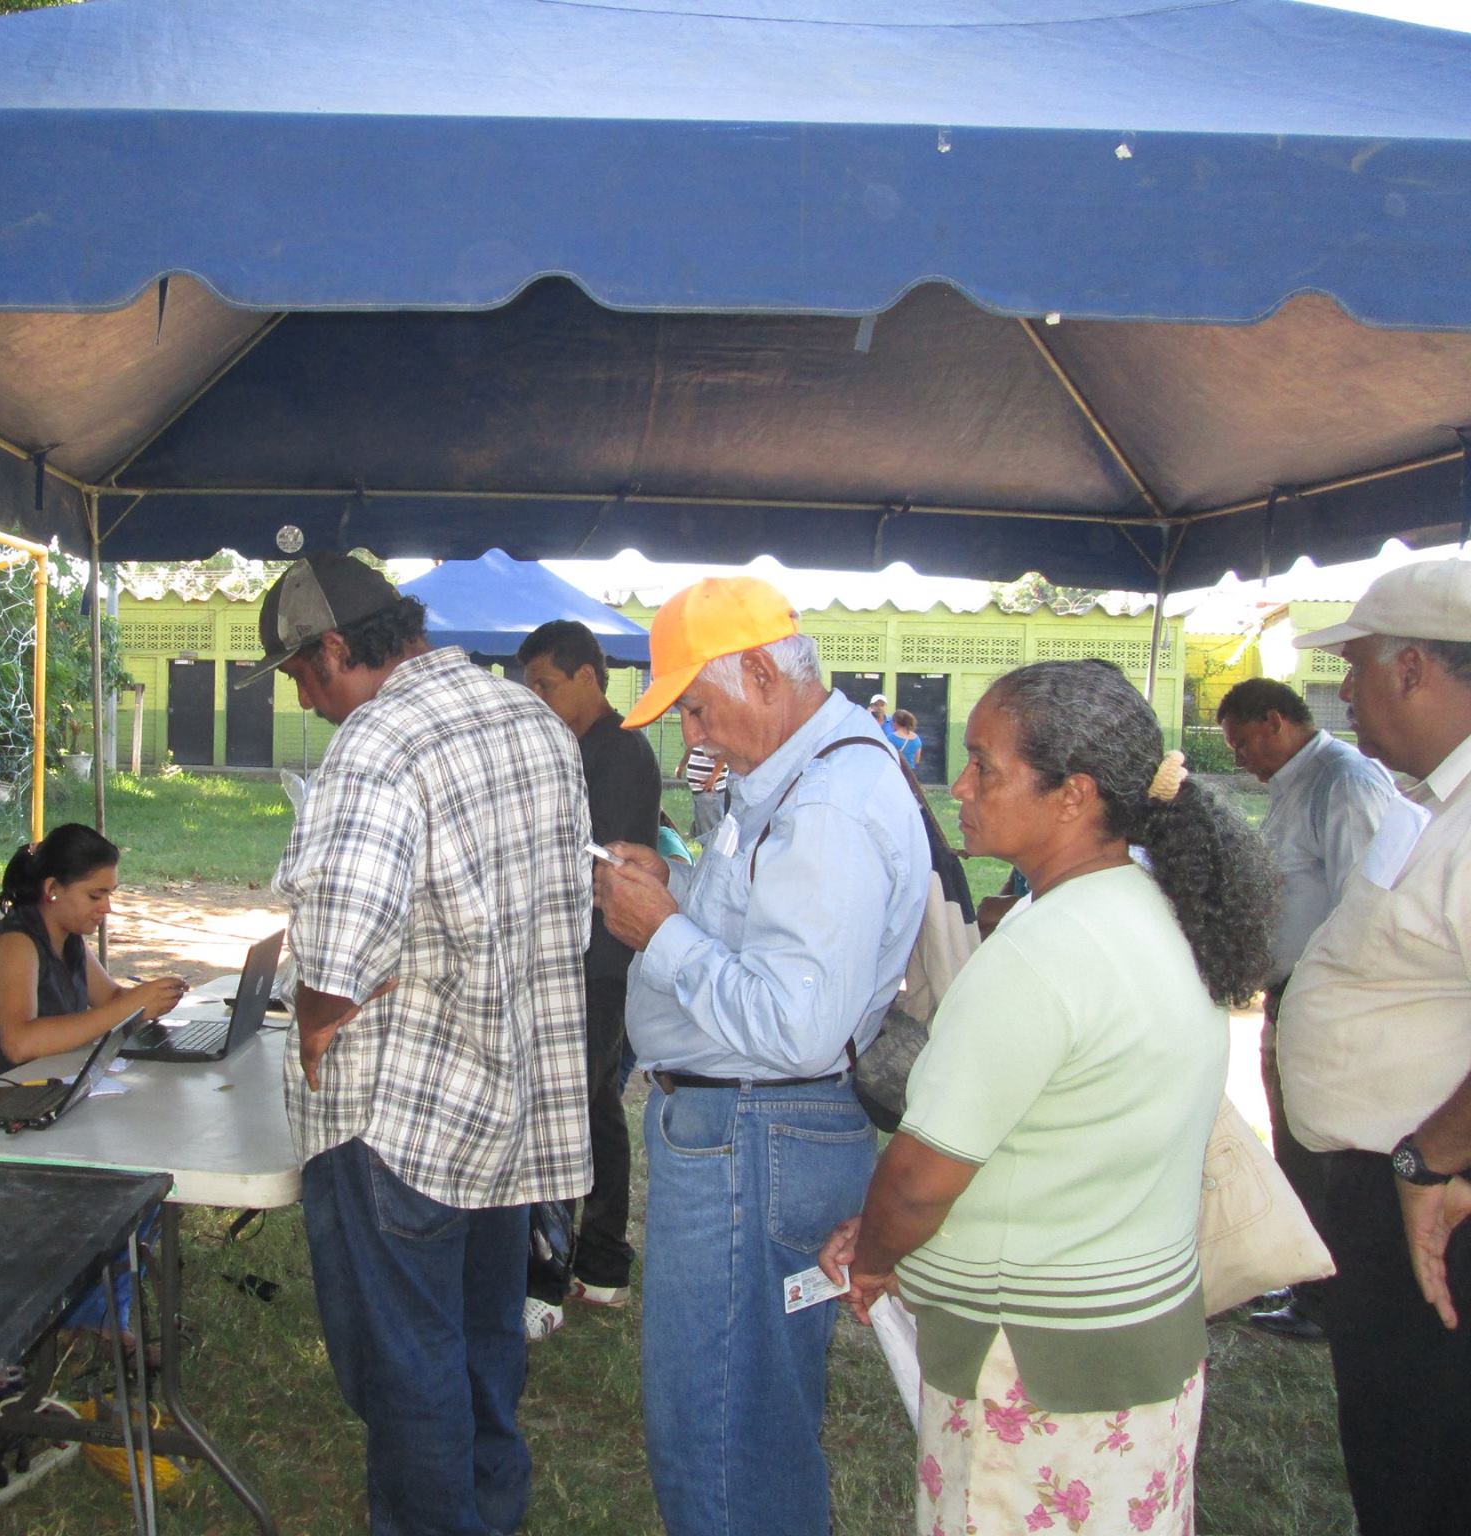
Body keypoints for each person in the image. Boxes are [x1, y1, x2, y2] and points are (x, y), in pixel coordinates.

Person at [817, 659, 1276, 1536]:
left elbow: (918, 1179)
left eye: (985, 766)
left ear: (1073, 795)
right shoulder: (1157, 909)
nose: (960, 784)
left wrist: (875, 1256)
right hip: (1139, 1350)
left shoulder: (1041, 954)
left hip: (1035, 1376)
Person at [254, 551, 591, 1536]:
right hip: (502, 1099)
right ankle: (490, 1511)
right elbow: (564, 913)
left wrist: (318, 1017)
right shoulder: (531, 717)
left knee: (405, 1368)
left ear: (330, 651)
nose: (304, 702)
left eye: (295, 676)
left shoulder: (377, 743)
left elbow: (340, 949)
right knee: (483, 1341)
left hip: (394, 1116)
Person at [594, 576, 930, 1536]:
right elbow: (766, 928)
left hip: (754, 1129)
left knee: (721, 1431)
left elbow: (796, 1024)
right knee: (746, 1418)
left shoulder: (825, 803)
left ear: (759, 672)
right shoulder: (797, 776)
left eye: (698, 706)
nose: (693, 736)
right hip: (751, 1128)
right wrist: (686, 888)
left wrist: (661, 929)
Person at [1274, 559, 1471, 1536]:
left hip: (1426, 1202)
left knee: (1420, 1464)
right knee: (1391, 1446)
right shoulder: (1425, 799)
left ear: (1409, 671)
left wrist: (1427, 1152)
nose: (1339, 690)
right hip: (1379, 1186)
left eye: (1353, 666)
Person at [1217, 675, 1397, 1341]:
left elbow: (1368, 904)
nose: (1239, 761)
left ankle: (1328, 1299)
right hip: (1293, 991)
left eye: (1241, 745)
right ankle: (1311, 1286)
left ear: (1274, 723)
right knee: (1295, 1139)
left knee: (1319, 1144)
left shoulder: (1343, 783)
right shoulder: (1300, 784)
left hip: (1332, 997)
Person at [517, 619, 664, 1338]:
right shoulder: (577, 747)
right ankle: (602, 1264)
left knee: (562, 1111)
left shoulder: (621, 753)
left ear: (587, 678)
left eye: (545, 684)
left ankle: (542, 1280)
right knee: (595, 1106)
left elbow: (593, 865)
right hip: (577, 958)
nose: (537, 698)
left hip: (595, 963)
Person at [0, 823, 189, 1076]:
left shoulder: (69, 937)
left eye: (109, 895)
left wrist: (155, 997)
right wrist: (132, 1006)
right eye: (95, 896)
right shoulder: (15, 944)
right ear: (52, 889)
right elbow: (19, 1043)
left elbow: (111, 998)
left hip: (42, 1084)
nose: (107, 907)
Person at [683, 743, 729, 839]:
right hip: (700, 791)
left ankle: (712, 853)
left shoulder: (715, 735)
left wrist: (713, 779)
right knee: (703, 832)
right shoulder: (701, 736)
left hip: (710, 791)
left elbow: (723, 756)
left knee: (712, 833)